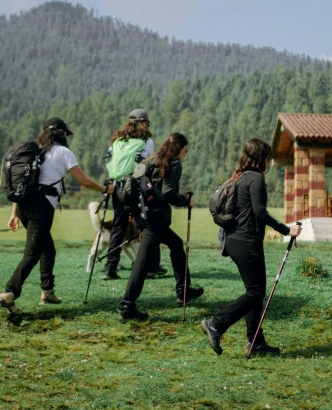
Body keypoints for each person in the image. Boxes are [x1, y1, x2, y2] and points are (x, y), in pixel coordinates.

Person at [0, 117, 114, 316]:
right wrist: (105, 189)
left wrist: (14, 213)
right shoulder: (63, 152)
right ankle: (8, 294)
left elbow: (23, 183)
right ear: (63, 133)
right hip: (41, 207)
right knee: (32, 254)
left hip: (24, 206)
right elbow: (83, 180)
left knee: (47, 249)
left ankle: (47, 292)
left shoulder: (32, 151)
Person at [200, 139, 302, 356]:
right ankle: (216, 324)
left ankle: (255, 343)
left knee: (255, 291)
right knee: (256, 293)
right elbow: (260, 212)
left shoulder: (241, 177)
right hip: (246, 242)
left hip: (236, 240)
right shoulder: (255, 177)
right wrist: (287, 230)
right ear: (261, 157)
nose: (269, 161)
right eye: (268, 156)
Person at [119, 133, 204, 321]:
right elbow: (168, 194)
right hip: (155, 220)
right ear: (178, 148)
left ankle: (184, 291)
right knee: (142, 262)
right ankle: (127, 307)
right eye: (185, 149)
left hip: (143, 216)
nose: (186, 152)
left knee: (176, 243)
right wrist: (186, 200)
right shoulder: (173, 164)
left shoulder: (151, 161)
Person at [102, 109, 166, 280]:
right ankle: (151, 266)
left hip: (116, 188)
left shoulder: (117, 140)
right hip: (135, 188)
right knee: (147, 225)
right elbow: (146, 164)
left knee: (118, 227)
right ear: (144, 123)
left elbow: (109, 161)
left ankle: (110, 268)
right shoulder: (146, 141)